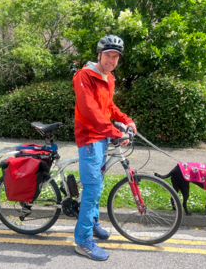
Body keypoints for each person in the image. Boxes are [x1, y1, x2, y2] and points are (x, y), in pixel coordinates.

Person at [72, 35, 137, 261]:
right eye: (108, 55)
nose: (112, 60)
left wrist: (126, 120)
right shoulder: (84, 76)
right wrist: (115, 133)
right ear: (99, 55)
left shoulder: (108, 78)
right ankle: (82, 241)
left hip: (103, 138)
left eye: (116, 56)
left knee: (97, 185)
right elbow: (89, 110)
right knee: (92, 190)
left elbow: (109, 107)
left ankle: (92, 222)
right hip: (90, 138)